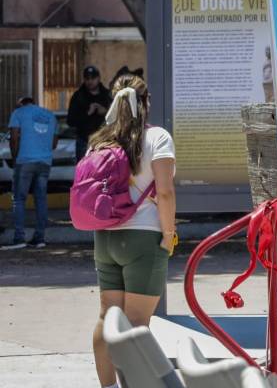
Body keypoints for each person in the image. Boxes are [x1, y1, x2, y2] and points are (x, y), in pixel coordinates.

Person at [88, 75, 177, 388]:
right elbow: (164, 192)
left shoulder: (99, 140)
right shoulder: (157, 138)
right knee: (138, 325)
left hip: (106, 236)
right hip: (143, 238)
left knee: (107, 318)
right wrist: (168, 236)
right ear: (146, 102)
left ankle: (108, 386)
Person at [3, 96, 57, 249]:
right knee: (41, 199)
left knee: (19, 199)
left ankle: (19, 238)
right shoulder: (50, 115)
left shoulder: (18, 113)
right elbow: (54, 143)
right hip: (45, 162)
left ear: (21, 104)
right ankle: (39, 238)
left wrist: (15, 158)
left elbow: (14, 138)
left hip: (25, 160)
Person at [67, 65, 112, 163]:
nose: (90, 81)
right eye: (87, 78)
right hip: (84, 140)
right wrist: (87, 113)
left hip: (103, 140)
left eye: (93, 78)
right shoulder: (78, 96)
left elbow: (117, 116)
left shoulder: (107, 95)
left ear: (98, 78)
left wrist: (105, 112)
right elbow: (70, 121)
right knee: (84, 171)